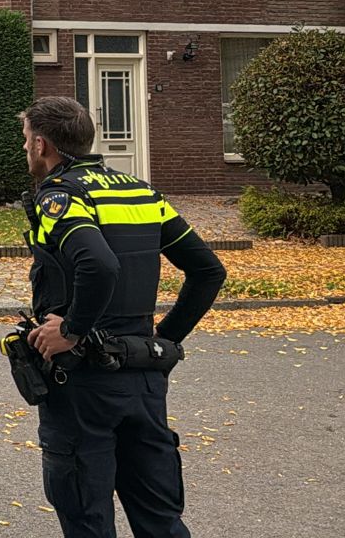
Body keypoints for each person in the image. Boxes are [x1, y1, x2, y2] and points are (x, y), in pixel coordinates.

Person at [19, 96, 226, 538]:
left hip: (82, 384)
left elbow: (99, 264)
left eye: (25, 142)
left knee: (87, 517)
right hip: (142, 377)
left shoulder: (59, 195)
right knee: (160, 521)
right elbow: (208, 271)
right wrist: (162, 343)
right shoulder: (140, 190)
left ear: (41, 145)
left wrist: (72, 331)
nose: (25, 151)